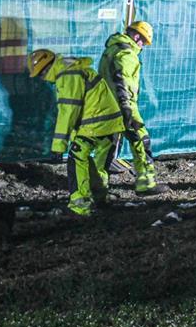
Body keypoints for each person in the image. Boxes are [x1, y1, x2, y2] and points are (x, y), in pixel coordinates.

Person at [28, 49, 125, 216]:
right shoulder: (73, 69)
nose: (41, 78)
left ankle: (80, 206)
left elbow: (68, 111)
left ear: (45, 69)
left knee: (77, 160)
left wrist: (58, 147)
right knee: (95, 164)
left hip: (94, 124)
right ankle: (99, 198)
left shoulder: (67, 76)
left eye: (40, 74)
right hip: (110, 123)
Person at [99, 20, 169, 196]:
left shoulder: (110, 50)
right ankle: (146, 183)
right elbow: (124, 83)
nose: (142, 46)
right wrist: (127, 110)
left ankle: (97, 189)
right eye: (143, 41)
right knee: (141, 142)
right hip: (124, 107)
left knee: (105, 150)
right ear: (136, 36)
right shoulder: (127, 54)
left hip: (105, 107)